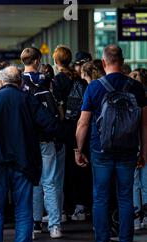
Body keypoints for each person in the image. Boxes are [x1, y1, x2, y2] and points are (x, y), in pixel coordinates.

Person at [0, 66, 63, 242]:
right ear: (20, 82)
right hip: (23, 161)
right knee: (23, 206)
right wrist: (34, 135)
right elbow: (51, 124)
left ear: (0, 82)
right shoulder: (28, 100)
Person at [76, 44, 147, 242]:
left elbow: (83, 123)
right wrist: (143, 151)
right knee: (125, 197)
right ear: (123, 61)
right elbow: (144, 124)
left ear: (104, 62)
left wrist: (79, 149)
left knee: (100, 198)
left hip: (101, 149)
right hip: (128, 149)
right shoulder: (136, 87)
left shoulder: (95, 87)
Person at [21, 47, 62, 239]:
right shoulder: (48, 82)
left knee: (32, 181)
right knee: (50, 181)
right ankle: (54, 226)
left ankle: (34, 224)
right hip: (46, 137)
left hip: (27, 140)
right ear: (37, 61)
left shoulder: (19, 83)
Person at [52, 45, 89, 223]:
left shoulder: (57, 80)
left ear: (56, 61)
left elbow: (59, 107)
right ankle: (81, 206)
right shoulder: (79, 80)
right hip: (82, 127)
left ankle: (64, 209)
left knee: (63, 170)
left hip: (65, 129)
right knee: (80, 167)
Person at [130, 68, 147, 229]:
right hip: (144, 143)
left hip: (134, 143)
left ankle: (136, 219)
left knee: (135, 183)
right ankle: (145, 217)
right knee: (145, 183)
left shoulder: (130, 99)